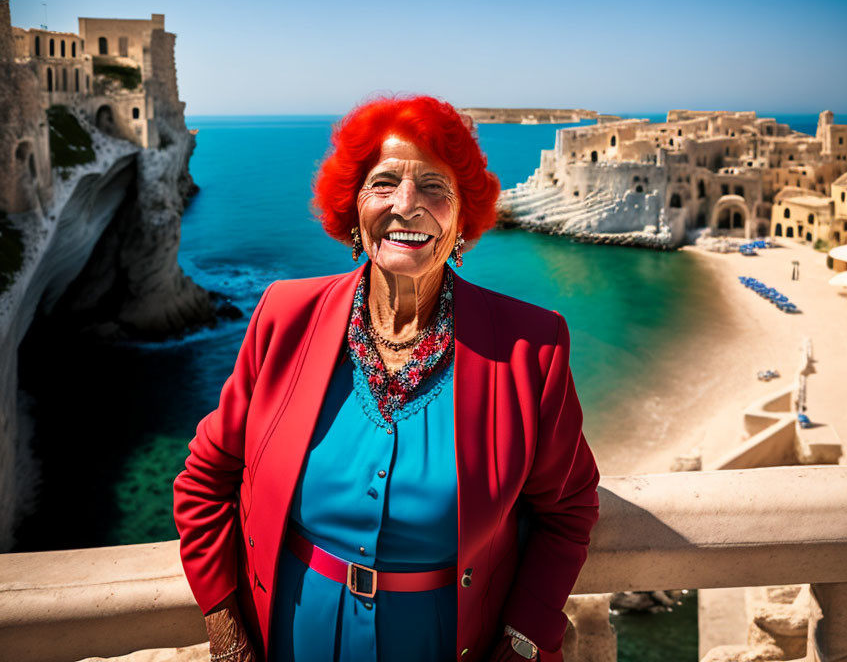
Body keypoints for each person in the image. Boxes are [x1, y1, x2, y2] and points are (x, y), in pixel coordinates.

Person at [173, 95, 600, 662]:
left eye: (433, 187)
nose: (407, 205)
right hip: (292, 640)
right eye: (384, 184)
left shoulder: (532, 347)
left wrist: (523, 640)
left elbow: (569, 511)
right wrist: (227, 632)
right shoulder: (284, 315)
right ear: (352, 207)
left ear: (461, 215)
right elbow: (203, 481)